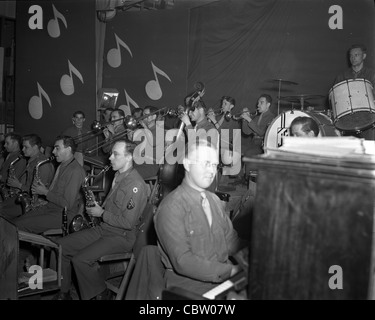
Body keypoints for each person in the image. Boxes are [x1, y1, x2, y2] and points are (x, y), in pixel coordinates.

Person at [52, 140, 148, 300]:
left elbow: (128, 223)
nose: (110, 157)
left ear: (129, 157)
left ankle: (101, 293)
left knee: (80, 260)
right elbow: (113, 207)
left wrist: (101, 213)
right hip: (105, 229)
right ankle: (64, 292)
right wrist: (97, 207)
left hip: (121, 236)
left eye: (115, 154)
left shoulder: (135, 184)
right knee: (61, 247)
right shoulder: (118, 175)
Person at [154, 141, 246, 295]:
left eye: (214, 165)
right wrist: (232, 270)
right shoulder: (171, 207)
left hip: (222, 282)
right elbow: (183, 262)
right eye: (206, 163)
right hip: (189, 288)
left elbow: (231, 242)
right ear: (187, 164)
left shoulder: (214, 200)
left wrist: (258, 253)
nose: (211, 170)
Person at [13, 136, 86, 234]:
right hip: (52, 207)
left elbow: (67, 204)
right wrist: (43, 191)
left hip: (64, 214)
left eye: (57, 148)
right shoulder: (62, 165)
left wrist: (45, 192)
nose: (53, 152)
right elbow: (57, 192)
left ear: (68, 149)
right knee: (15, 222)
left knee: (18, 225)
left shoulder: (75, 171)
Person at [0, 134, 55, 220]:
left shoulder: (43, 165)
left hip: (36, 203)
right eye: (23, 147)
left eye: (26, 147)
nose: (22, 150)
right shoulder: (31, 160)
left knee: (3, 212)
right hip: (26, 196)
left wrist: (19, 185)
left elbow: (39, 193)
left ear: (35, 147)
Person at [240, 94, 275, 177]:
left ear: (268, 105)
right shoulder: (257, 117)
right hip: (253, 143)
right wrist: (245, 120)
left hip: (262, 145)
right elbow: (247, 132)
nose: (258, 105)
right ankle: (241, 175)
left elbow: (261, 132)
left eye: (261, 103)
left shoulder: (271, 117)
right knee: (236, 148)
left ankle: (250, 178)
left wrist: (249, 119)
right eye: (258, 103)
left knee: (249, 153)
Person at [0, 132, 27, 202]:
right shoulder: (9, 155)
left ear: (15, 143)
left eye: (7, 143)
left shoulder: (20, 159)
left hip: (9, 193)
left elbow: (14, 180)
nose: (4, 145)